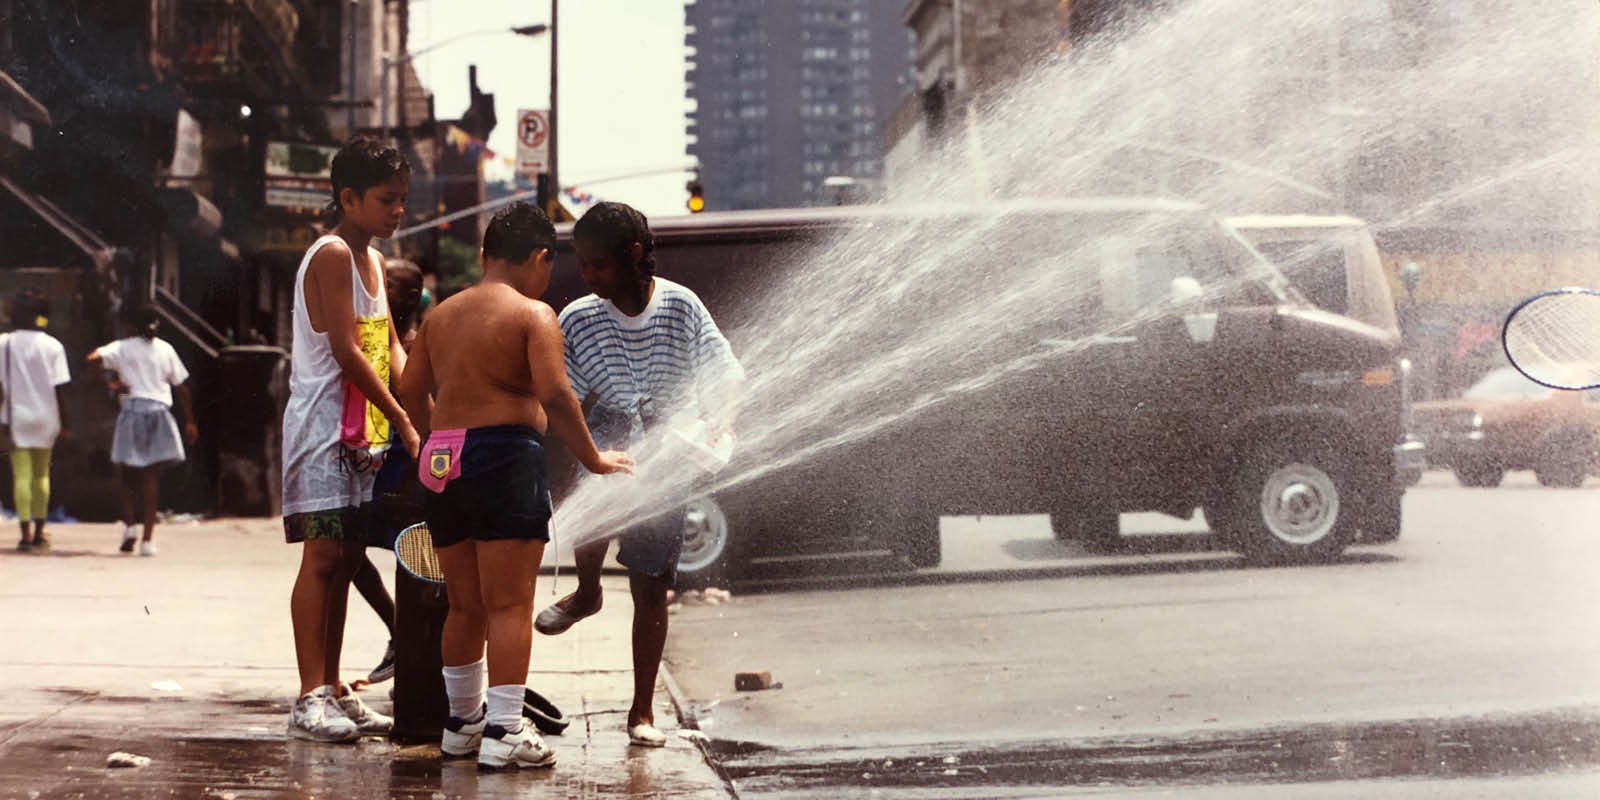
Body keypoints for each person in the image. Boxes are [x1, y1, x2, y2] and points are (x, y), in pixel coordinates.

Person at [397, 202, 632, 769]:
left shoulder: (440, 316)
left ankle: (462, 724)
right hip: (504, 455)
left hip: (444, 457)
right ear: (540, 258)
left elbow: (409, 388)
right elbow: (555, 394)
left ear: (483, 256)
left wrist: (434, 440)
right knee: (509, 605)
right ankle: (504, 730)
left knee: (463, 605)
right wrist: (594, 459)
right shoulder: (533, 314)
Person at [533, 201, 745, 747]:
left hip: (669, 451)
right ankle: (585, 592)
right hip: (605, 438)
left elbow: (724, 373)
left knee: (652, 587)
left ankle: (642, 711)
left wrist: (717, 423)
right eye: (581, 263)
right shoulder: (578, 317)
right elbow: (565, 398)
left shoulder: (681, 305)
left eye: (597, 264)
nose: (587, 276)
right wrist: (586, 448)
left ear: (633, 255)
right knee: (591, 515)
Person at [281, 135, 419, 743]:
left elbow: (388, 347)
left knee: (345, 561)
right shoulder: (333, 255)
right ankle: (309, 695)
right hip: (320, 432)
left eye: (402, 200)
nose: (398, 211)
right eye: (387, 200)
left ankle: (334, 688)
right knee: (323, 557)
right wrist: (405, 418)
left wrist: (421, 413)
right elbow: (345, 351)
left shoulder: (373, 264)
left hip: (362, 435)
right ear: (349, 198)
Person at [351, 258, 428, 685]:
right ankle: (399, 629)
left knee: (414, 562)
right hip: (376, 460)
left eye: (388, 286)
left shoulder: (420, 344)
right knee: (347, 550)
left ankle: (413, 653)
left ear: (411, 296)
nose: (377, 293)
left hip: (410, 465)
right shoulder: (374, 339)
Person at [86, 305, 198, 556]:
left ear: (130, 326)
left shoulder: (122, 347)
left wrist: (112, 384)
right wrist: (190, 421)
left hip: (132, 412)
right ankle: (148, 540)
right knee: (151, 477)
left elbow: (91, 358)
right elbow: (181, 387)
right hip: (158, 412)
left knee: (127, 473)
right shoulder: (165, 349)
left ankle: (129, 527)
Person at [1, 289, 71, 551]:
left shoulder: (4, 343)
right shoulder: (54, 346)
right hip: (47, 416)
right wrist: (66, 424)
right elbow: (60, 388)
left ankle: (24, 535)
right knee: (42, 475)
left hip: (16, 415)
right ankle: (41, 532)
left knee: (21, 475)